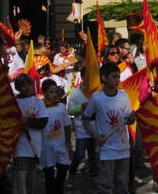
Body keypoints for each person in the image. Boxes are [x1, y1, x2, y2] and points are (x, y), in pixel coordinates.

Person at [82, 63, 135, 194]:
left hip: (123, 148)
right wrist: (96, 136)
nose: (118, 80)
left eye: (118, 77)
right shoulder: (97, 98)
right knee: (106, 186)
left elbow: (129, 117)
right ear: (104, 78)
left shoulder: (123, 96)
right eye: (114, 76)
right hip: (106, 149)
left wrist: (131, 118)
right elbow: (86, 119)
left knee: (122, 185)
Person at [13, 74, 47, 194]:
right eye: (23, 85)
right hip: (20, 147)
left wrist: (28, 121)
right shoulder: (14, 103)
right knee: (19, 179)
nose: (26, 88)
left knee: (30, 181)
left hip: (34, 146)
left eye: (28, 84)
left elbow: (43, 122)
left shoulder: (38, 102)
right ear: (18, 87)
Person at [41, 79, 72, 194]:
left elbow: (67, 125)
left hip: (60, 145)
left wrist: (68, 142)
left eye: (55, 91)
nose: (54, 94)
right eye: (50, 92)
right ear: (44, 93)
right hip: (46, 147)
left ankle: (59, 189)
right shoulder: (40, 107)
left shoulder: (61, 107)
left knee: (63, 168)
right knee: (48, 173)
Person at [67, 64, 98, 178]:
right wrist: (81, 107)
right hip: (81, 128)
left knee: (93, 153)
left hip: (94, 127)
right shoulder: (75, 93)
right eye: (87, 76)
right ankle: (72, 170)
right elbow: (69, 111)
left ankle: (94, 173)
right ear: (83, 77)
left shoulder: (97, 92)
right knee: (80, 153)